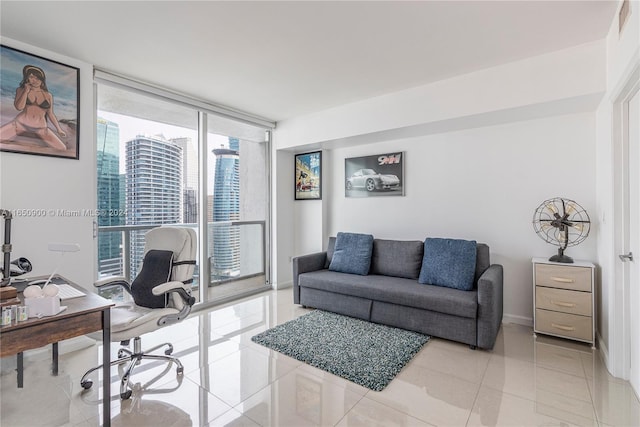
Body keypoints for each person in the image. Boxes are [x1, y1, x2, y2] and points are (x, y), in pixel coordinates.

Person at [0, 65, 67, 149]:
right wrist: (26, 92)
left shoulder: (48, 95)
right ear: (27, 78)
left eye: (37, 78)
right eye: (31, 77)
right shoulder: (20, 90)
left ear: (42, 80)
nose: (34, 80)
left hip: (41, 128)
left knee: (62, 148)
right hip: (19, 124)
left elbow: (50, 114)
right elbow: (19, 107)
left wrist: (59, 129)